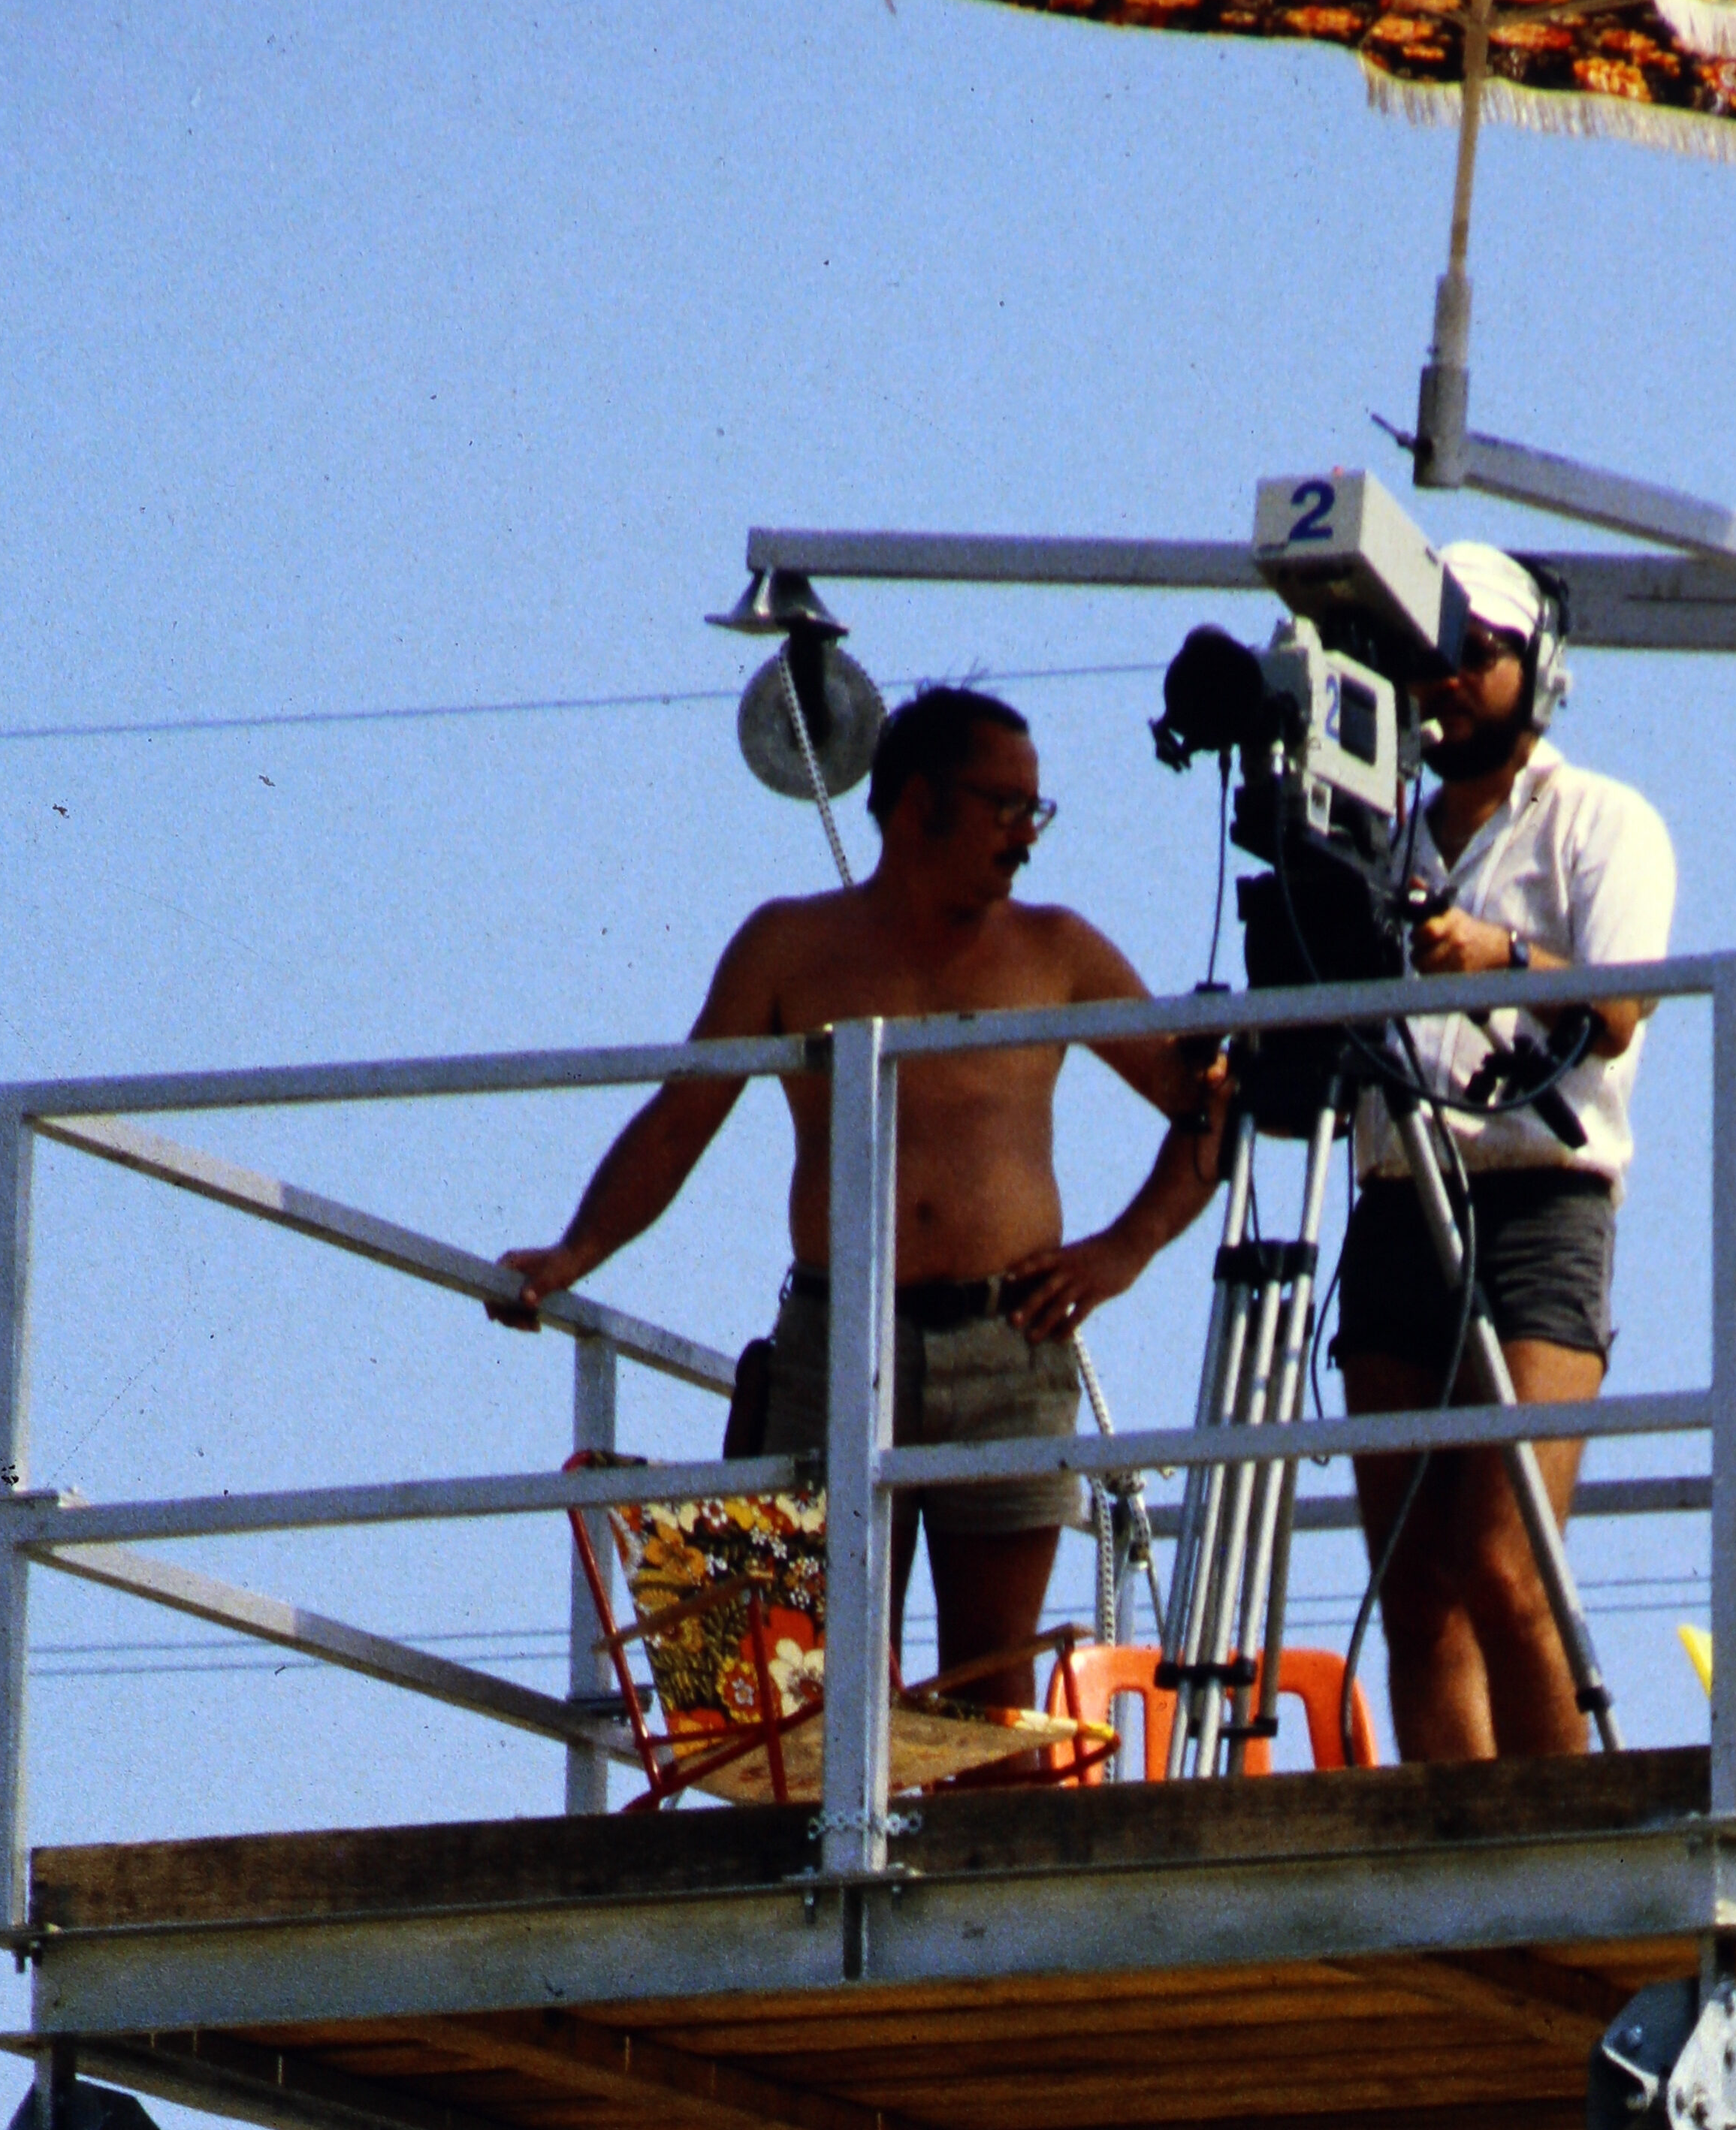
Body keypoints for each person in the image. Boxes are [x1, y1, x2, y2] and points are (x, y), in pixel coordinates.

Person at [491, 684, 1230, 1717]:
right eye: (1003, 807)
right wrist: (575, 1253)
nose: (1024, 834)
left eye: (1035, 810)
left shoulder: (1057, 949)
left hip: (1005, 1344)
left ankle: (970, 1879)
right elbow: (681, 1117)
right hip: (835, 1342)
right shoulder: (789, 946)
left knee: (990, 1683)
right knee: (807, 1677)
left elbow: (1209, 1105)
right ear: (918, 801)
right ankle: (824, 1873)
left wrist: (1126, 1248)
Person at [1337, 545, 1674, 1770]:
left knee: (1507, 1565)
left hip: (1538, 1195)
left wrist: (1494, 958)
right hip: (1395, 1195)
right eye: (1436, 656)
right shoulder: (1376, 834)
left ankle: (1565, 1845)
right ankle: (1460, 1862)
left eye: (1481, 653)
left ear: (1540, 668)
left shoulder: (1602, 819)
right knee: (1414, 1587)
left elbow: (1622, 1006)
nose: (1453, 680)